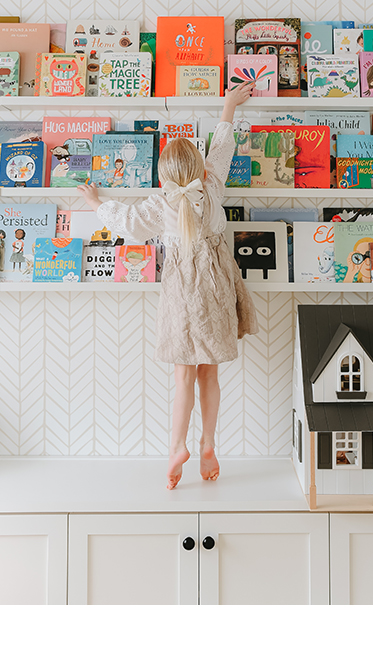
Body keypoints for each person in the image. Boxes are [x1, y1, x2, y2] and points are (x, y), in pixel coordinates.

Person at [78, 82, 259, 490]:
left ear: (164, 176)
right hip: (217, 288)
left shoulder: (160, 205)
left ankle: (177, 446)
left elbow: (125, 221)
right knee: (209, 374)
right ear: (199, 167)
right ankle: (208, 441)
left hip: (182, 292)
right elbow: (223, 146)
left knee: (183, 377)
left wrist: (93, 202)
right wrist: (228, 104)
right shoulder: (212, 187)